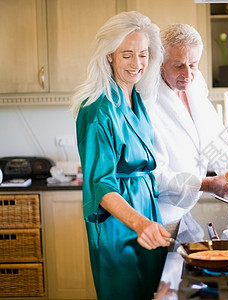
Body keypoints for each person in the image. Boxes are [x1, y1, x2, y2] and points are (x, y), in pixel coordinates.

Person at [70, 11, 171, 299]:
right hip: (119, 224)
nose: (137, 64)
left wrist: (149, 220)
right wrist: (140, 223)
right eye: (127, 55)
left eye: (143, 54)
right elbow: (101, 185)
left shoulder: (136, 99)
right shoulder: (97, 109)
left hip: (148, 214)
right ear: (110, 55)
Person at [147, 23, 228, 237]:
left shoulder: (196, 85)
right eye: (178, 65)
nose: (188, 74)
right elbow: (154, 177)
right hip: (159, 215)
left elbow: (215, 139)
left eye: (193, 64)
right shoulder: (147, 100)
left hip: (186, 209)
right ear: (160, 63)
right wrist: (208, 184)